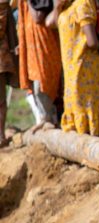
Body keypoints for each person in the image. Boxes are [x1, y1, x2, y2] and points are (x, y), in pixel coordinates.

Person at [46, 0, 99, 136]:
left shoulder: (83, 3)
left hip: (85, 70)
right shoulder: (68, 7)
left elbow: (92, 42)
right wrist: (58, 6)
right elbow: (50, 23)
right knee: (77, 113)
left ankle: (95, 151)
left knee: (88, 113)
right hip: (73, 71)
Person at [18, 0, 62, 128]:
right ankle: (45, 119)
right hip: (34, 47)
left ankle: (47, 120)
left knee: (42, 84)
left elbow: (38, 17)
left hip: (44, 44)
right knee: (36, 85)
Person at [0, 1, 18, 148]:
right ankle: (0, 134)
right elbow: (12, 34)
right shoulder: (4, 7)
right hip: (2, 59)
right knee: (0, 101)